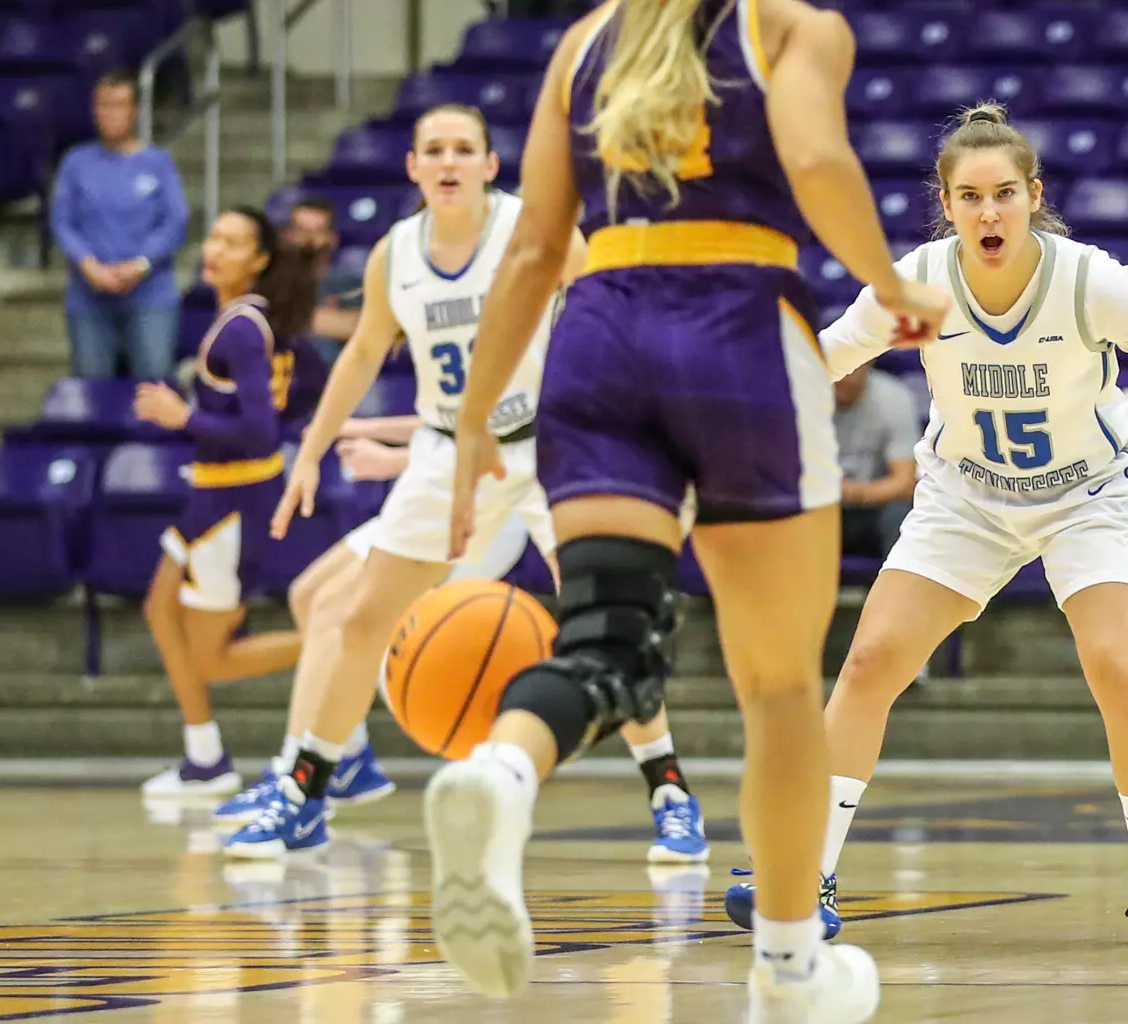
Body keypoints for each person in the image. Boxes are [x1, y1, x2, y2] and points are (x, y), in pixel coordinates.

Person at [721, 102, 1128, 946]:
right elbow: (830, 354)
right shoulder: (922, 287)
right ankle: (809, 874)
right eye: (969, 197)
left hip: (1085, 497)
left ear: (1033, 196)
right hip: (966, 499)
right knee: (873, 660)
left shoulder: (1087, 281)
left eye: (1004, 194)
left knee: (1116, 666)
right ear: (945, 205)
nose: (988, 212)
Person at [428, 0, 948, 1016]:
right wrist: (888, 283)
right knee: (780, 689)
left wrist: (474, 420)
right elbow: (816, 160)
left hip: (599, 333)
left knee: (607, 642)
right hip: (738, 329)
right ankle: (789, 966)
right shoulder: (789, 27)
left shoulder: (581, 43)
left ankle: (501, 773)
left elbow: (534, 250)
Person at [219, 104, 708, 866]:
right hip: (450, 452)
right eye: (434, 150)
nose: (449, 162)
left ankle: (670, 792)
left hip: (552, 447)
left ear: (488, 165)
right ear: (413, 168)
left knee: (609, 621)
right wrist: (311, 450)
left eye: (464, 149)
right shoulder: (394, 256)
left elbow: (617, 313)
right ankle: (307, 791)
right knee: (357, 617)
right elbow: (359, 358)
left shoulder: (536, 231)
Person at [214, 410, 712, 866]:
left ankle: (669, 793)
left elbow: (505, 410)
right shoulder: (420, 318)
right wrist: (333, 444)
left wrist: (386, 454)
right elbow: (443, 403)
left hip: (541, 455)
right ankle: (315, 777)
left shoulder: (553, 321)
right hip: (457, 468)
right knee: (340, 610)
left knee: (609, 628)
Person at [134, 207, 316, 796]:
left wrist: (182, 415)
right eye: (213, 236)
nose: (215, 248)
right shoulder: (252, 322)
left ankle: (346, 644)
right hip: (215, 495)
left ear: (258, 261)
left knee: (211, 659)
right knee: (161, 609)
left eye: (233, 242)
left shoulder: (241, 327)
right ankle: (204, 756)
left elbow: (264, 431)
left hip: (234, 500)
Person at [50, 69, 188, 381]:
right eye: (103, 105)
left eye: (118, 104)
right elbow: (62, 221)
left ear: (134, 111)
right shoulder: (76, 163)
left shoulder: (158, 163)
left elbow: (175, 222)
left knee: (153, 384)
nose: (109, 113)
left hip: (149, 294)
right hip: (89, 296)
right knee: (91, 387)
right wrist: (88, 264)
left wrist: (140, 265)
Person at [833, 367, 918, 557]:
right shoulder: (805, 396)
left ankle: (899, 585)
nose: (845, 377)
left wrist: (853, 492)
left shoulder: (893, 398)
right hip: (824, 509)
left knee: (901, 515)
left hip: (875, 509)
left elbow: (905, 483)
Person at [282, 198, 364, 362]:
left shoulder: (353, 286)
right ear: (287, 236)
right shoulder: (270, 283)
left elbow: (371, 330)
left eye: (318, 231)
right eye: (301, 231)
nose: (309, 240)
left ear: (333, 238)